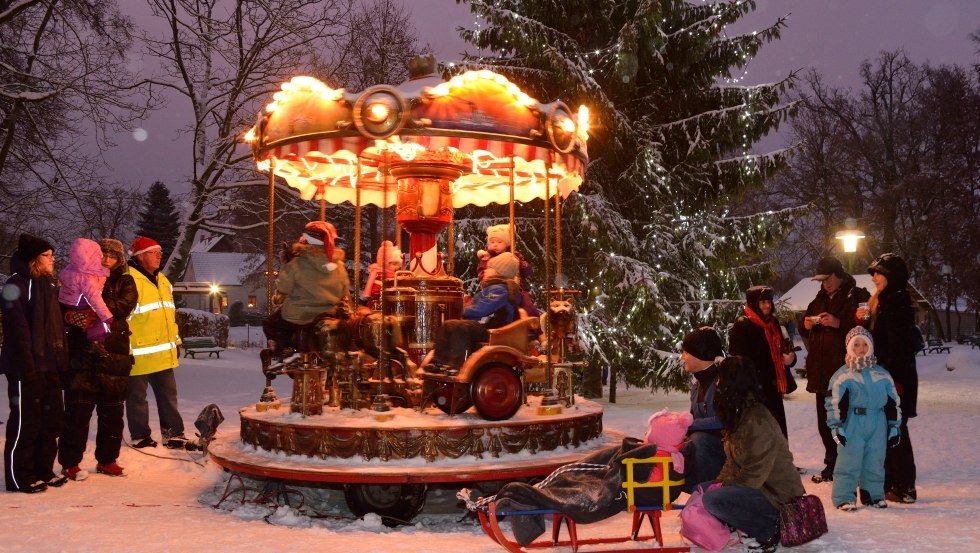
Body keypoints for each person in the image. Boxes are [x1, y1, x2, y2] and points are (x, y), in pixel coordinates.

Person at [699, 356, 805, 553]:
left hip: (778, 497)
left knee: (713, 499)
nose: (717, 384)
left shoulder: (756, 419)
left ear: (732, 382)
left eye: (720, 379)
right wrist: (717, 484)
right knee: (703, 491)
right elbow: (731, 463)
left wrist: (722, 488)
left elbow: (754, 475)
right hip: (758, 489)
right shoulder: (739, 415)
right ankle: (739, 521)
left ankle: (769, 528)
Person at [59, 239, 138, 480]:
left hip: (114, 354)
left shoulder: (124, 280)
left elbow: (124, 305)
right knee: (77, 412)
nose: (106, 260)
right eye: (102, 254)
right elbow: (63, 304)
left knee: (112, 413)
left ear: (119, 259)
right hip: (83, 354)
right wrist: (72, 315)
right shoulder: (76, 275)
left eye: (112, 256)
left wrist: (95, 310)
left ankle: (107, 459)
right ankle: (70, 462)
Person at [1, 234, 69, 493]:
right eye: (47, 256)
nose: (53, 260)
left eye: (53, 255)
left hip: (49, 366)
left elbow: (56, 329)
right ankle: (20, 476)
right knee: (26, 422)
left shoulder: (48, 286)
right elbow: (17, 330)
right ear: (33, 260)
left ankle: (43, 469)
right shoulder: (15, 286)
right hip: (25, 367)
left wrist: (59, 362)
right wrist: (27, 367)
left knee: (51, 421)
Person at [799, 256, 870, 484]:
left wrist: (840, 324)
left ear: (839, 275)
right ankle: (832, 464)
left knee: (848, 420)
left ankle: (853, 465)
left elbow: (868, 329)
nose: (825, 284)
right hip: (821, 374)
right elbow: (804, 321)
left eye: (828, 279)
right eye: (821, 280)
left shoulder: (858, 296)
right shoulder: (818, 299)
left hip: (847, 373)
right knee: (826, 422)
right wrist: (806, 324)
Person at [856, 252, 918, 504]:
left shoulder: (897, 302)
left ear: (892, 277)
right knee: (887, 428)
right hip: (885, 376)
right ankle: (892, 481)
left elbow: (898, 345)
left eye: (879, 274)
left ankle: (904, 486)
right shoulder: (882, 300)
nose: (874, 278)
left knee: (896, 428)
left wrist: (896, 381)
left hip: (894, 378)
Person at [125, 235, 196, 450]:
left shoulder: (163, 280)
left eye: (159, 253)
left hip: (163, 353)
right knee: (137, 399)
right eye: (153, 253)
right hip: (137, 353)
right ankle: (140, 436)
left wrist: (176, 342)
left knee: (168, 397)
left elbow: (169, 315)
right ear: (139, 256)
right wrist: (124, 349)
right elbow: (121, 319)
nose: (158, 257)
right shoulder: (128, 280)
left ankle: (174, 433)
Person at [826, 326, 901, 511]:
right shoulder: (843, 375)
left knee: (875, 460)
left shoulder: (882, 374)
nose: (861, 349)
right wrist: (836, 426)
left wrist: (894, 426)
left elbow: (894, 402)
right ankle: (844, 497)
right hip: (854, 422)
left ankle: (873, 495)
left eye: (865, 344)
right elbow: (833, 402)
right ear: (849, 347)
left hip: (878, 422)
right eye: (856, 344)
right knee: (848, 460)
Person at [261, 221, 350, 356]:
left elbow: (284, 287)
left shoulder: (297, 262)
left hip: (300, 314)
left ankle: (286, 348)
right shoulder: (338, 265)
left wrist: (285, 264)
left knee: (270, 323)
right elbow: (344, 290)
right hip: (329, 313)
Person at [427, 252, 523, 371]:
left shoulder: (500, 290)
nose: (485, 271)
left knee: (461, 328)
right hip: (484, 326)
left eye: (489, 268)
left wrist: (464, 310)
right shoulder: (492, 288)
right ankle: (439, 361)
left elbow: (482, 309)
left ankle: (458, 364)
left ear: (500, 272)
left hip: (494, 329)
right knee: (448, 325)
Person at [729, 285, 797, 438]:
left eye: (769, 302)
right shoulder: (743, 325)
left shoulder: (773, 324)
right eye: (762, 302)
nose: (767, 306)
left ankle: (782, 462)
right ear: (753, 303)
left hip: (773, 389)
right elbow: (738, 362)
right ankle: (767, 463)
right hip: (755, 392)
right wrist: (750, 390)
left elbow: (784, 350)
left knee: (778, 432)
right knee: (762, 437)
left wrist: (790, 358)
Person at [678, 326, 727, 492]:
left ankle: (706, 492)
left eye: (686, 352)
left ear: (700, 355)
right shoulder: (698, 384)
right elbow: (693, 418)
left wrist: (689, 424)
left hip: (726, 453)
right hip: (704, 452)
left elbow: (724, 419)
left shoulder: (724, 381)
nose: (682, 357)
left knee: (699, 439)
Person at [477, 224, 539, 317]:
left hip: (515, 287)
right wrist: (485, 275)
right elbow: (481, 272)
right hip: (496, 286)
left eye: (499, 242)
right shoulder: (487, 257)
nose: (495, 245)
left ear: (507, 243)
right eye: (492, 242)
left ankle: (532, 326)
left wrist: (520, 263)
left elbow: (527, 271)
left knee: (527, 306)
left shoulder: (514, 255)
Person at [58, 238, 114, 334]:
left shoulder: (69, 269)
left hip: (65, 303)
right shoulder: (87, 277)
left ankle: (65, 330)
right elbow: (94, 297)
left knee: (73, 324)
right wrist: (107, 316)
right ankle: (97, 336)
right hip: (79, 304)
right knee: (97, 318)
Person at [359, 240, 402, 310]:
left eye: (397, 264)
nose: (396, 267)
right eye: (394, 264)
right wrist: (367, 293)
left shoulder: (393, 273)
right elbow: (370, 283)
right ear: (386, 262)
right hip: (376, 294)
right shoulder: (376, 271)